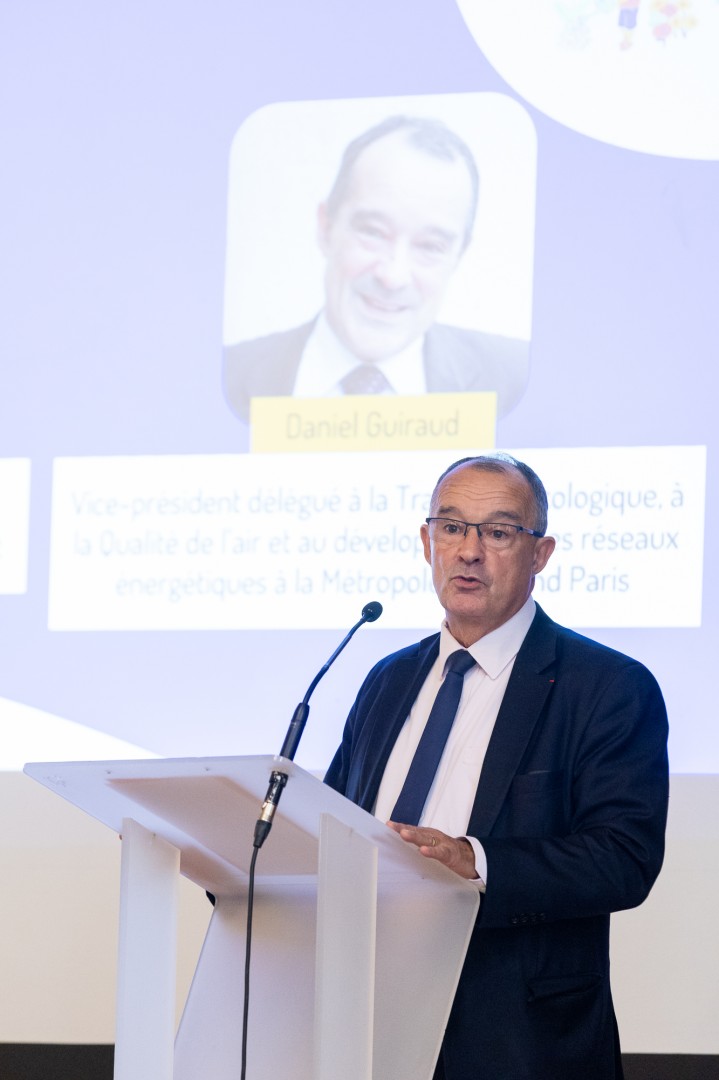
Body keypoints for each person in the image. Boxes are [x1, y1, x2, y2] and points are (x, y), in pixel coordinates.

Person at [324, 453, 669, 1080]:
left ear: (541, 554)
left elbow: (624, 858)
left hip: (517, 1040)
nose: (469, 551)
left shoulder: (606, 685)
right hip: (369, 1022)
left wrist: (476, 861)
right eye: (452, 527)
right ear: (426, 542)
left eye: (499, 532)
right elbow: (335, 825)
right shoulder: (387, 679)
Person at [223, 116, 529, 422]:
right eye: (373, 232)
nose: (393, 277)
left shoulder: (517, 378)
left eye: (430, 246)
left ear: (458, 255)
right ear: (326, 227)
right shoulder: (228, 375)